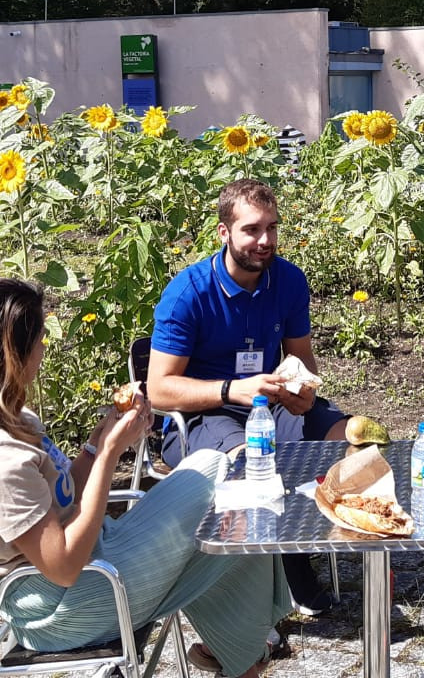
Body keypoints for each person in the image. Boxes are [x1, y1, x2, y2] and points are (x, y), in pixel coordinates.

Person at [0, 278, 286, 674]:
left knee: (225, 490)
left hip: (88, 572)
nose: (45, 347)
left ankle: (240, 655)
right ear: (13, 355)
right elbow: (62, 565)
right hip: (65, 609)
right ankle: (245, 651)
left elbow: (64, 496)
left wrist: (98, 440)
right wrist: (112, 454)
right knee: (224, 489)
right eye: (40, 338)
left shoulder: (9, 421)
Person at [147, 178, 349, 616]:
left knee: (350, 439)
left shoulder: (289, 280)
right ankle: (287, 576)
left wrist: (302, 392)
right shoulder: (189, 293)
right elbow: (158, 389)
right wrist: (231, 390)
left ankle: (356, 547)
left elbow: (303, 362)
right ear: (224, 233)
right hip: (202, 417)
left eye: (272, 228)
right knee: (253, 462)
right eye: (252, 230)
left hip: (269, 405)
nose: (265, 241)